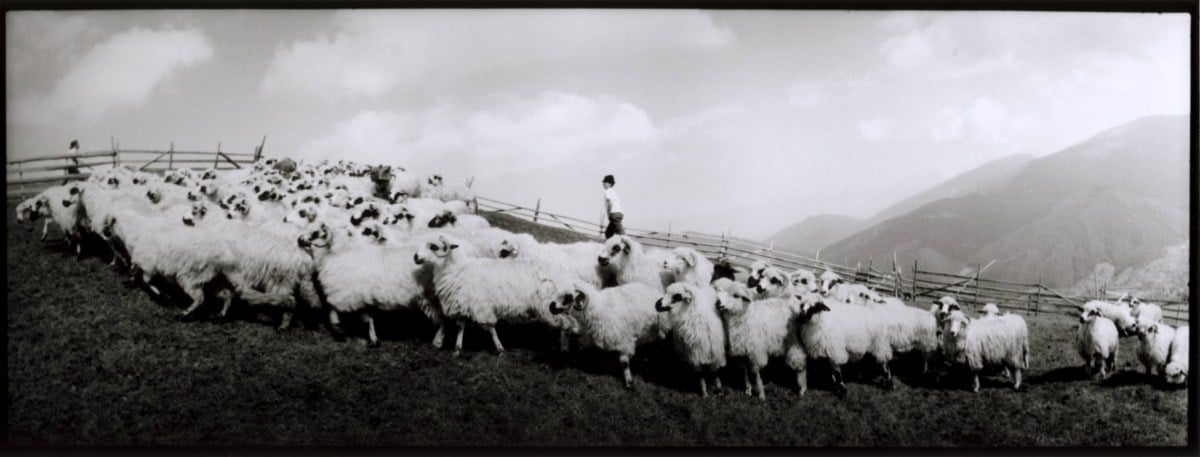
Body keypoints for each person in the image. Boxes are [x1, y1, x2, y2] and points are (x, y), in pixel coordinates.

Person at [602, 174, 625, 239]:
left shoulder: (608, 191)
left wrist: (609, 215)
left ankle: (628, 247)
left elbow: (609, 204)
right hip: (619, 213)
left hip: (614, 214)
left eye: (605, 182)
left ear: (610, 184)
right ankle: (610, 247)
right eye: (603, 182)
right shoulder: (613, 192)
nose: (603, 183)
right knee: (608, 233)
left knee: (622, 235)